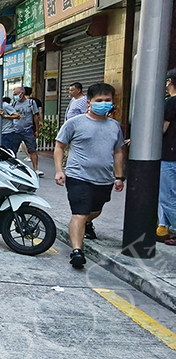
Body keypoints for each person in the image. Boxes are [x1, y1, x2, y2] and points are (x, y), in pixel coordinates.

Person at [54, 83, 125, 268]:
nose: (104, 103)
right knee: (79, 213)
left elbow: (118, 151)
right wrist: (60, 170)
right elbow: (59, 146)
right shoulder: (75, 123)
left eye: (107, 100)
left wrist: (119, 176)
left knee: (95, 210)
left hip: (104, 178)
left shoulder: (114, 126)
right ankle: (77, 251)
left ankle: (86, 224)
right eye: (99, 100)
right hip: (78, 176)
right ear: (89, 102)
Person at [3, 87, 43, 177]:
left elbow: (35, 116)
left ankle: (35, 169)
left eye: (16, 94)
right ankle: (13, 168)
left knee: (32, 150)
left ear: (22, 93)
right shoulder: (13, 104)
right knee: (13, 151)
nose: (15, 96)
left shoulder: (31, 103)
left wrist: (36, 130)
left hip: (28, 130)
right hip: (15, 131)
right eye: (14, 95)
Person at [159, 71, 176, 245]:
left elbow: (162, 129)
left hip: (169, 155)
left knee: (167, 196)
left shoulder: (171, 102)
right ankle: (162, 227)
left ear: (169, 81)